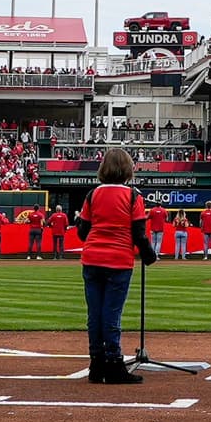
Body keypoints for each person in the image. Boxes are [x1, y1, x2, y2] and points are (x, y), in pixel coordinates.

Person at [75, 148, 154, 382]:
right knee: (112, 313)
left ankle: (96, 364)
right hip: (118, 259)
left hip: (91, 258)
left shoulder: (92, 194)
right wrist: (149, 256)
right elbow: (139, 233)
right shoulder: (133, 196)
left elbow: (82, 232)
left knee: (95, 313)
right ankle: (113, 362)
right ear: (128, 169)